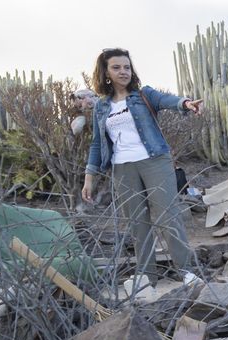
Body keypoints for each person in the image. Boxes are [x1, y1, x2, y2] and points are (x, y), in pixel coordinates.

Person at [82, 47, 203, 291]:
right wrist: (89, 177)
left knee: (168, 215)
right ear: (106, 72)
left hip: (154, 161)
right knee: (136, 221)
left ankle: (187, 272)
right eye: (116, 67)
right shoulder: (101, 107)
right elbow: (97, 143)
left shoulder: (143, 95)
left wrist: (185, 103)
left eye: (127, 67)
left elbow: (168, 100)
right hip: (121, 168)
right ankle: (146, 275)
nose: (123, 71)